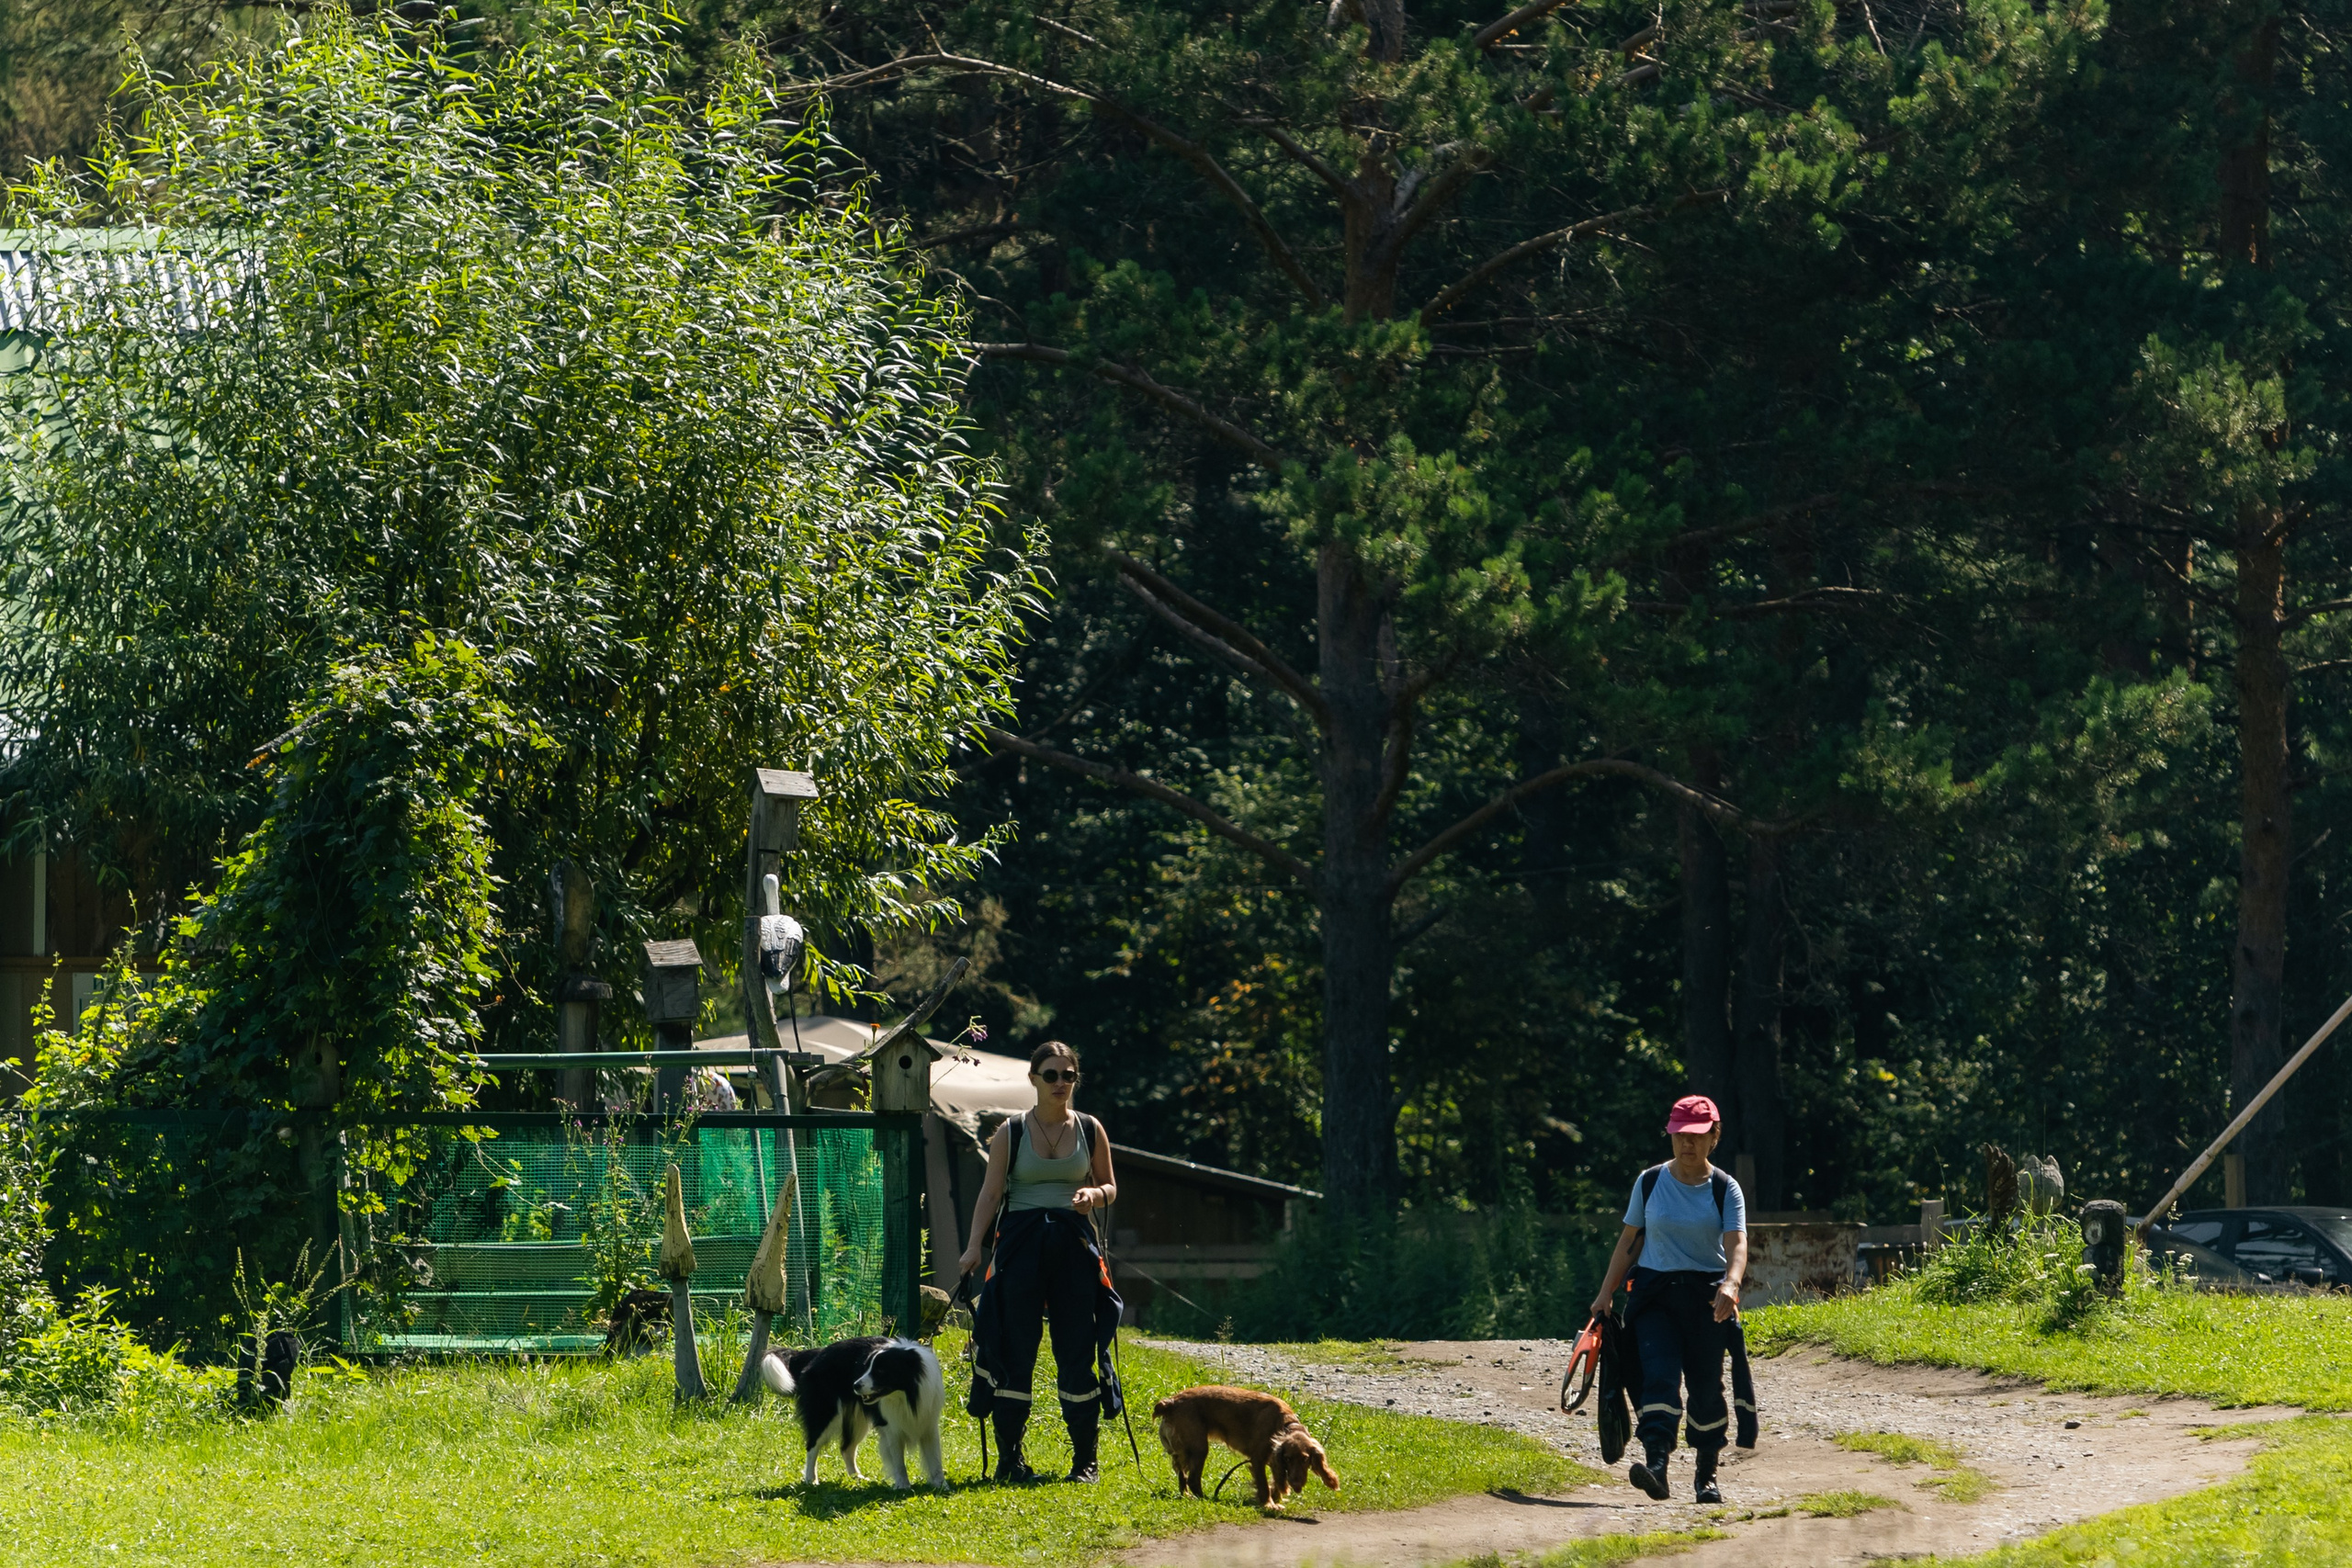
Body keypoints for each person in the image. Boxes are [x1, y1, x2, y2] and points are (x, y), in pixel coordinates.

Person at [957, 1041, 1125, 1482]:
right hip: (1020, 1247)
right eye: (1051, 1075)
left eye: (1068, 1075)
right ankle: (1011, 1460)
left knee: (1076, 1349)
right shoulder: (1010, 1132)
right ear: (1032, 1079)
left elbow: (1110, 1186)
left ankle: (1085, 1461)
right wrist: (974, 1247)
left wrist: (1093, 1194)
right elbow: (991, 1194)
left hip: (1073, 1245)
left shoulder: (1090, 1129)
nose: (1060, 1083)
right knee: (1014, 1350)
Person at [1587, 1094, 1750, 1504]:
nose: (1686, 1144)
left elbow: (1737, 1243)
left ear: (1714, 1137)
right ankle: (1656, 1465)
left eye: (1696, 1136)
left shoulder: (1724, 1188)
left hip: (1705, 1301)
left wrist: (1731, 1284)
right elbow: (1628, 1242)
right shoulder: (1650, 1181)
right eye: (1679, 1135)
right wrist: (1605, 1294)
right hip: (1654, 1296)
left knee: (1705, 1388)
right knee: (1657, 1375)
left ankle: (1706, 1476)